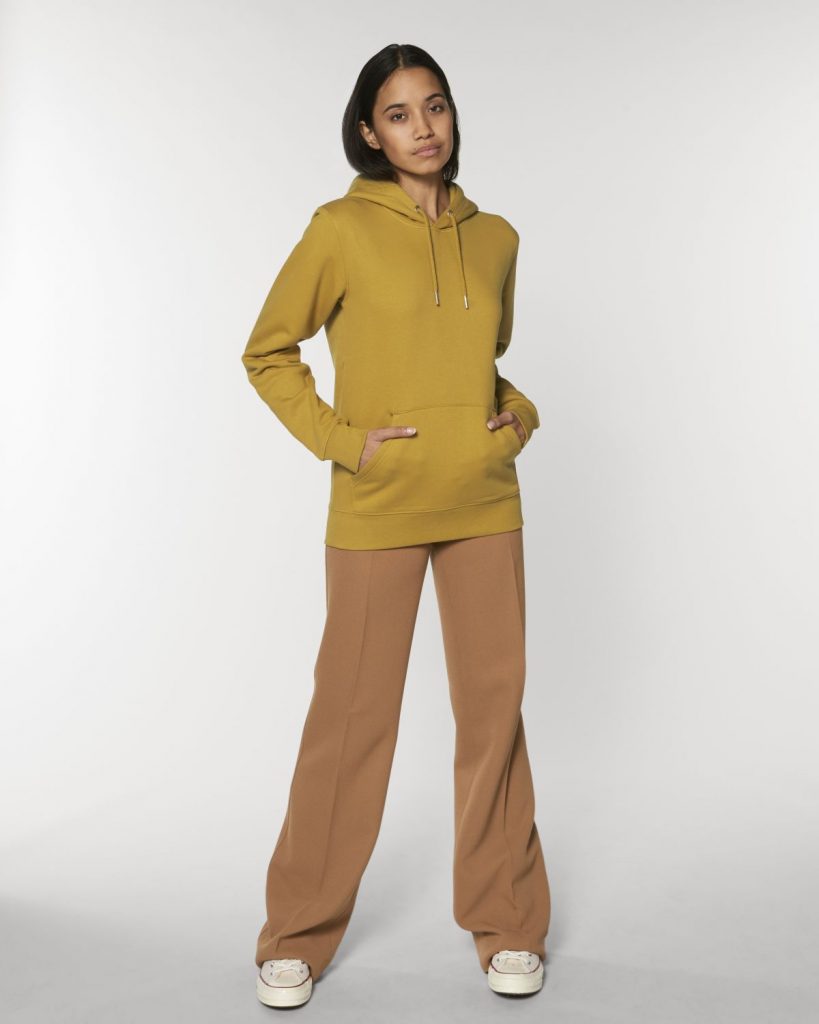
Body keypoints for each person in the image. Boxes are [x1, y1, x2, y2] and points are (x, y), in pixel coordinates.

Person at [241, 42, 551, 1009]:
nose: (423, 127)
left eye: (436, 106)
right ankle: (296, 933)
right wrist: (344, 442)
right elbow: (268, 352)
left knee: (492, 717)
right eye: (400, 113)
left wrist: (517, 415)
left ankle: (507, 922)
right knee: (350, 721)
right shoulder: (339, 228)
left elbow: (478, 363)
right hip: (377, 508)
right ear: (369, 133)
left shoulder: (496, 237)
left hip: (483, 504)